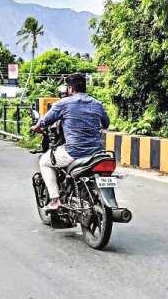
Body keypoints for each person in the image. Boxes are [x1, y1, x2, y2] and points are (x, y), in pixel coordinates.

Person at [31, 74, 110, 212]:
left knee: (44, 161)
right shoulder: (97, 104)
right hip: (96, 152)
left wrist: (36, 128)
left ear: (70, 89)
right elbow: (106, 123)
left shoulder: (63, 103)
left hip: (74, 152)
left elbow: (44, 121)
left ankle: (55, 200)